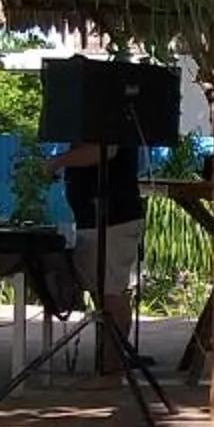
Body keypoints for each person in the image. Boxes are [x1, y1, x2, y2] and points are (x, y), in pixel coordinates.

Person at [47, 139, 145, 374]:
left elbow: (105, 149)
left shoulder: (106, 113)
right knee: (103, 293)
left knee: (111, 294)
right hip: (96, 220)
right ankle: (106, 364)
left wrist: (57, 162)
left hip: (112, 219)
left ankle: (111, 370)